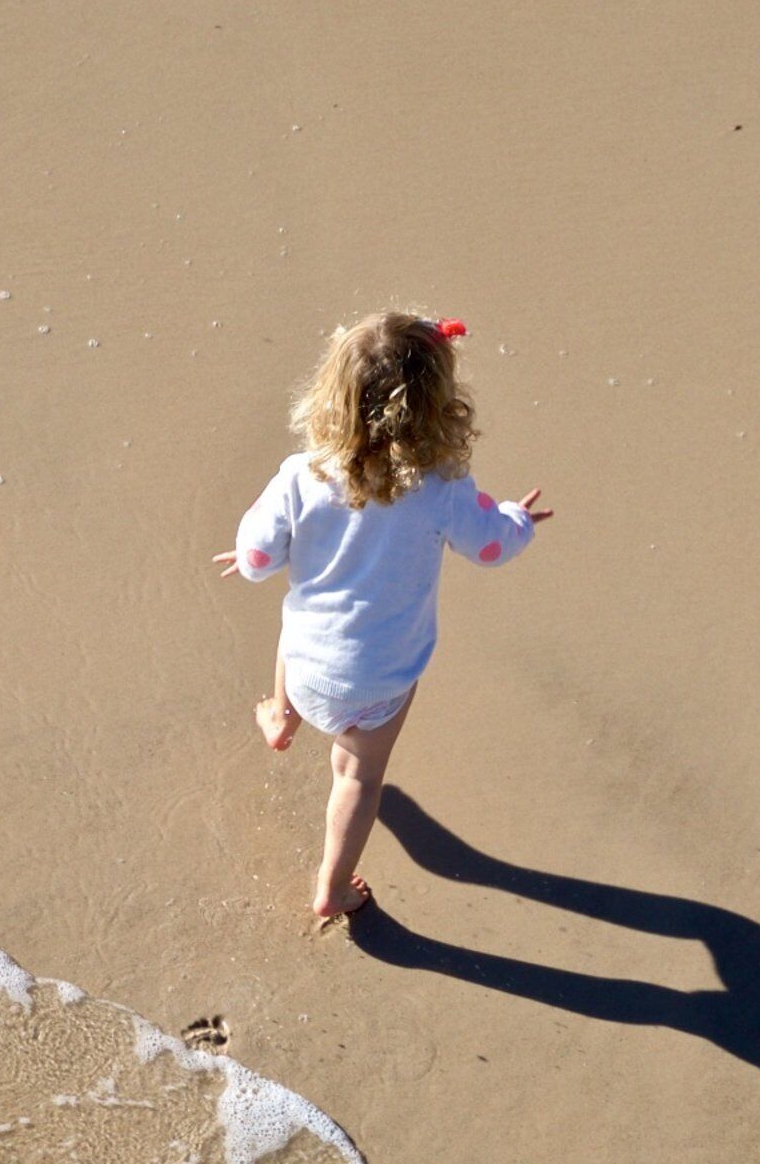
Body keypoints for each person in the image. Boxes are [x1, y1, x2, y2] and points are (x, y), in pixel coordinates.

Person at [213, 310, 550, 922]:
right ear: (440, 405)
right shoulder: (443, 485)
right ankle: (331, 887)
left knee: (300, 617)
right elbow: (491, 546)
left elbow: (259, 558)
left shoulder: (302, 474)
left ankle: (282, 717)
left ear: (331, 392)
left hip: (308, 666)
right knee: (358, 778)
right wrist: (517, 518)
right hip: (381, 681)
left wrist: (244, 554)